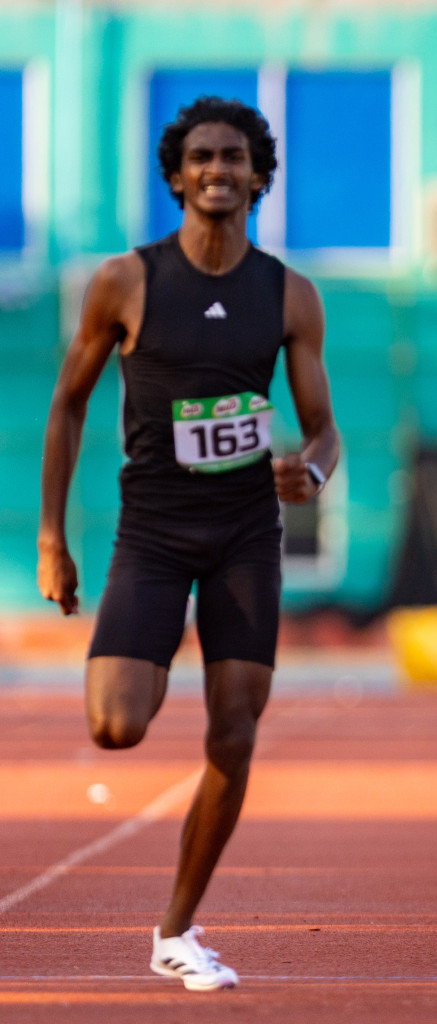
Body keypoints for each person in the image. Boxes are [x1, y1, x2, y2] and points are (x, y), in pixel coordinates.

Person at [36, 97, 340, 990]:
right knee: (116, 724)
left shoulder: (289, 293)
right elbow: (67, 404)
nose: (218, 168)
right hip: (155, 533)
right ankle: (154, 654)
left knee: (235, 735)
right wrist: (52, 538)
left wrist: (313, 473)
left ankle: (177, 928)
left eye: (235, 157)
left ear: (258, 176)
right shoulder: (126, 282)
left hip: (246, 532)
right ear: (176, 175)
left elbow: (324, 430)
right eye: (202, 155)